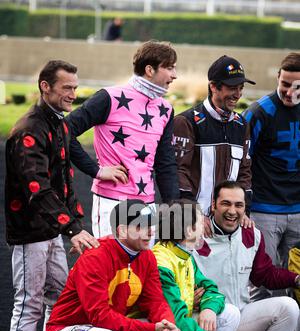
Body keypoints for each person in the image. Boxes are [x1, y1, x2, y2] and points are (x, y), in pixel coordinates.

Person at [5, 60, 99, 331]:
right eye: (67, 88)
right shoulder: (29, 128)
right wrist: (73, 227)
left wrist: (77, 225)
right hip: (31, 234)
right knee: (29, 304)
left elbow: (64, 183)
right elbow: (37, 188)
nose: (73, 95)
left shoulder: (58, 124)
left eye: (75, 87)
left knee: (60, 300)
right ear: (46, 86)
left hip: (52, 232)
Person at [46, 199, 182, 331]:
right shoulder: (96, 256)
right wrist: (151, 328)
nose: (149, 232)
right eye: (140, 227)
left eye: (151, 225)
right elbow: (100, 316)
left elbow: (155, 300)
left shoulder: (146, 256)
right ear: (121, 230)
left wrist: (167, 323)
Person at [195, 180, 300, 331]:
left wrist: (296, 279)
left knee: (288, 307)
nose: (232, 211)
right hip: (201, 323)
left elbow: (265, 275)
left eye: (238, 205)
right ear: (212, 205)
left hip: (237, 320)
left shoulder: (252, 235)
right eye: (225, 204)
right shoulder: (194, 233)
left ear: (245, 208)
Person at [66, 40, 179, 238]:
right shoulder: (109, 97)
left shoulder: (166, 109)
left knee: (143, 268)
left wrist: (173, 208)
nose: (174, 75)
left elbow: (165, 162)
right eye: (169, 68)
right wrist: (97, 171)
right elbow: (63, 131)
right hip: (112, 201)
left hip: (147, 202)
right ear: (150, 70)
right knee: (112, 268)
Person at [150, 199, 243, 331]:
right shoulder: (162, 261)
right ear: (189, 229)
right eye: (201, 223)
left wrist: (208, 308)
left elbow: (212, 289)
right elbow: (176, 321)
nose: (204, 228)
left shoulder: (183, 254)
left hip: (174, 330)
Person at [173, 55, 255, 236]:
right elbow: (178, 173)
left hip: (228, 222)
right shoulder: (185, 122)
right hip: (192, 225)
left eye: (241, 88)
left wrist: (244, 211)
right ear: (213, 86)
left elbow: (244, 172)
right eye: (232, 88)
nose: (238, 94)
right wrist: (192, 214)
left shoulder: (242, 124)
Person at [243, 52, 300, 299]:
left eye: (296, 87)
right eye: (284, 84)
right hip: (264, 210)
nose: (289, 92)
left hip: (298, 210)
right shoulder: (259, 113)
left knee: (294, 279)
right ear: (278, 77)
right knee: (263, 280)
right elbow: (242, 160)